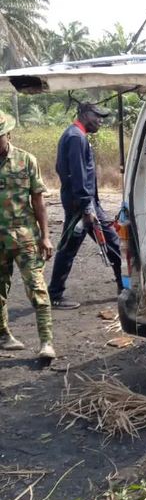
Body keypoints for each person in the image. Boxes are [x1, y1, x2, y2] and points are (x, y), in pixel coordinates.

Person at [48, 102, 122, 309]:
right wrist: (87, 208)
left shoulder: (76, 136)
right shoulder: (75, 137)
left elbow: (60, 168)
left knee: (103, 242)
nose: (100, 120)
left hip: (83, 202)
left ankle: (124, 286)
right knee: (107, 242)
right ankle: (54, 295)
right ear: (83, 113)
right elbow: (78, 174)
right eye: (96, 115)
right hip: (82, 205)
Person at [0, 110, 55, 359]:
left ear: (8, 134)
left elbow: (38, 202)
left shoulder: (26, 160)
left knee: (37, 288)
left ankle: (46, 342)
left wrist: (45, 236)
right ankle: (4, 336)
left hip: (25, 239)